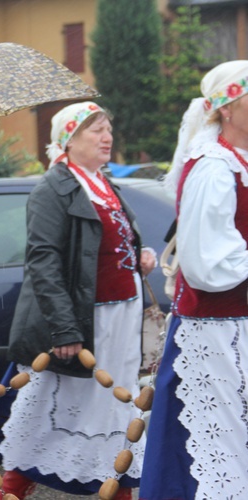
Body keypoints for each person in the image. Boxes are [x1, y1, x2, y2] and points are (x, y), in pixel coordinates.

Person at [0, 102, 156, 500]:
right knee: (51, 412)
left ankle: (119, 489)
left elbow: (102, 248)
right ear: (68, 139)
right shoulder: (54, 188)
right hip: (85, 323)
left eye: (108, 129)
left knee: (115, 412)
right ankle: (6, 491)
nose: (107, 137)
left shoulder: (103, 183)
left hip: (119, 321)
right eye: (95, 130)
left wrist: (138, 257)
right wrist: (64, 327)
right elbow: (43, 262)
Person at [139, 61, 248, 500]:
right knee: (212, 452)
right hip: (215, 334)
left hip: (235, 330)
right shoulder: (213, 169)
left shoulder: (237, 163)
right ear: (227, 108)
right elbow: (206, 265)